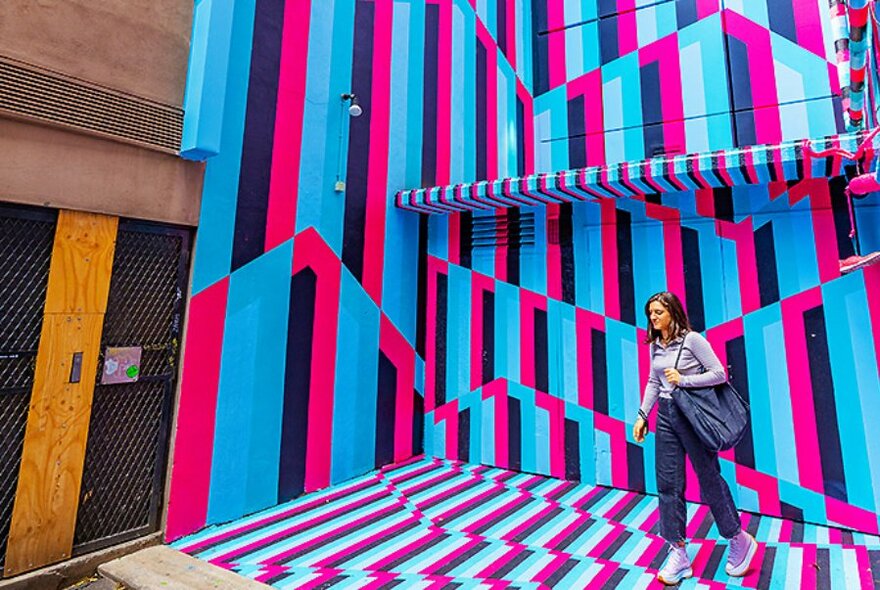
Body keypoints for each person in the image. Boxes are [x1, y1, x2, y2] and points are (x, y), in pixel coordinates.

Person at [633, 291, 758, 585]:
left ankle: (738, 539)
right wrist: (642, 415)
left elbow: (719, 374)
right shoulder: (656, 345)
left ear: (673, 313)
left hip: (691, 413)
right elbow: (654, 381)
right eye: (650, 313)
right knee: (667, 484)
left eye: (658, 313)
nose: (653, 318)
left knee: (709, 478)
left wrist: (684, 380)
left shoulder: (693, 340)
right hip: (665, 415)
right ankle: (678, 552)